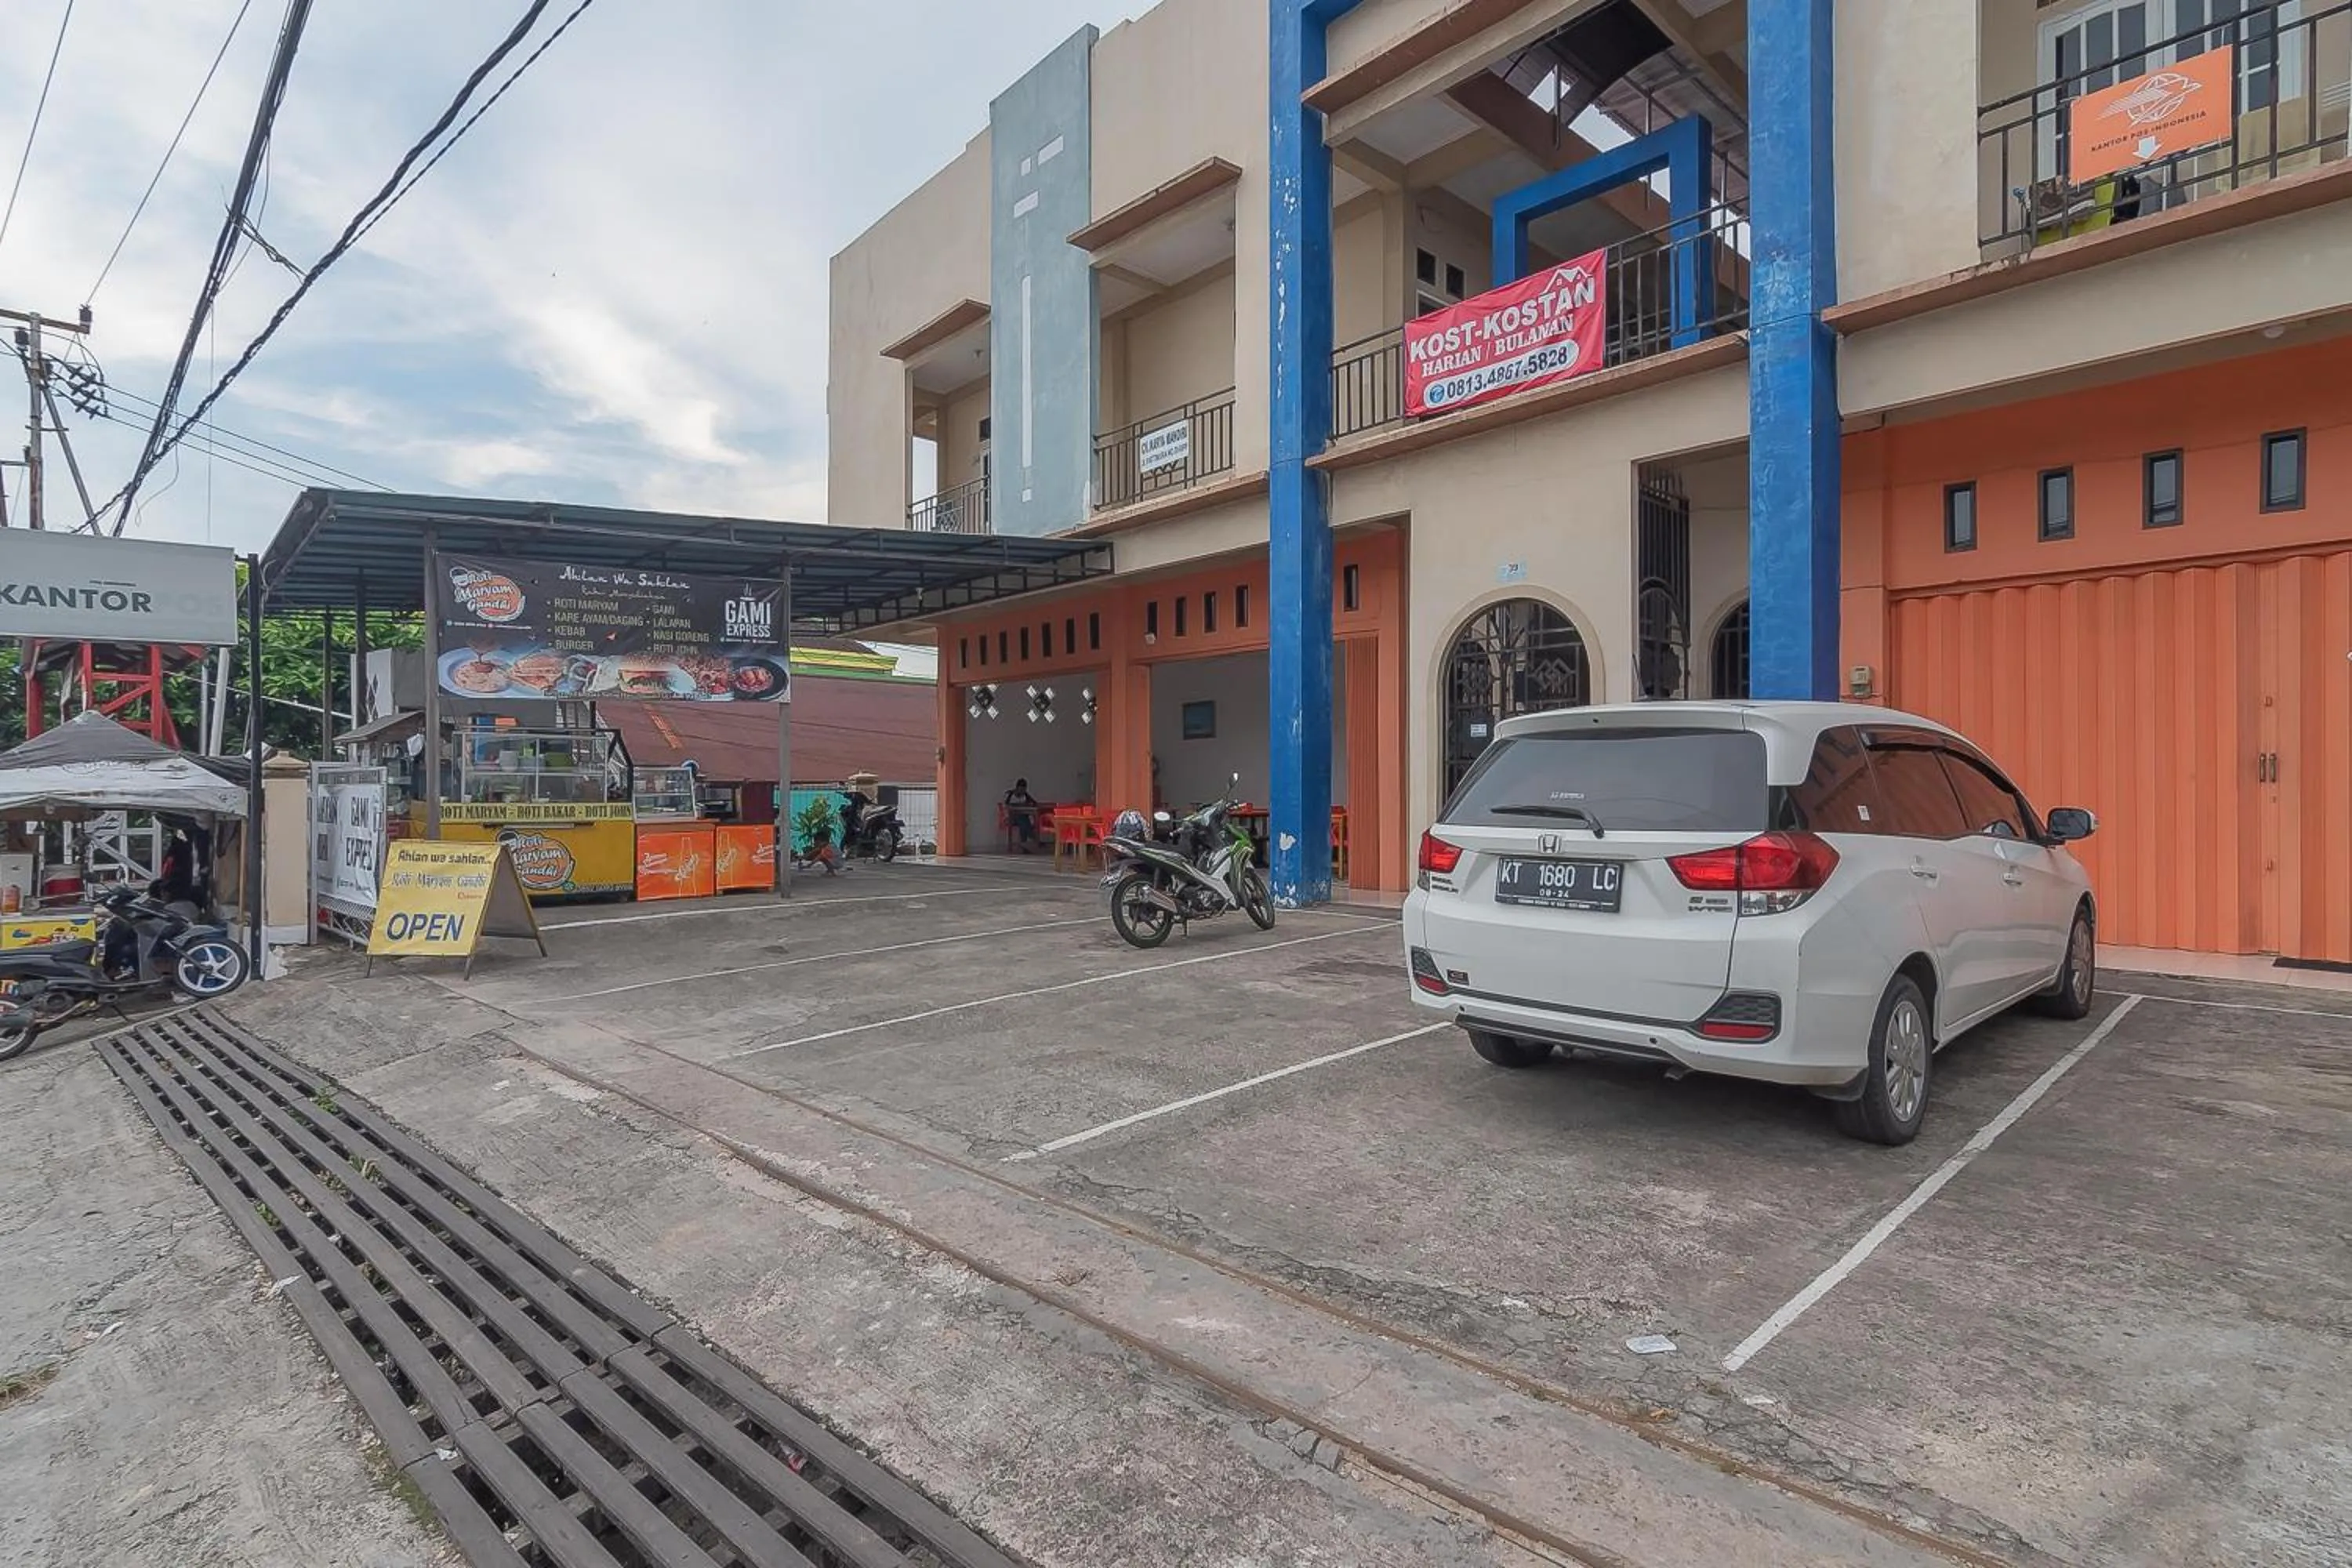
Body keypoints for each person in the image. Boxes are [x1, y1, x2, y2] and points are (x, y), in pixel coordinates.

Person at [1003, 777, 1042, 853]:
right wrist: (1015, 807)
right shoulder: (1010, 794)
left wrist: (1028, 804)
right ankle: (1034, 838)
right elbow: (1005, 807)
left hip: (1022, 817)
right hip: (1010, 818)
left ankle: (1025, 846)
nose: (1022, 792)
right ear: (1017, 788)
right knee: (1023, 820)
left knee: (1023, 821)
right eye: (1021, 790)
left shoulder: (1025, 795)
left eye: (1024, 790)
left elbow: (1034, 803)